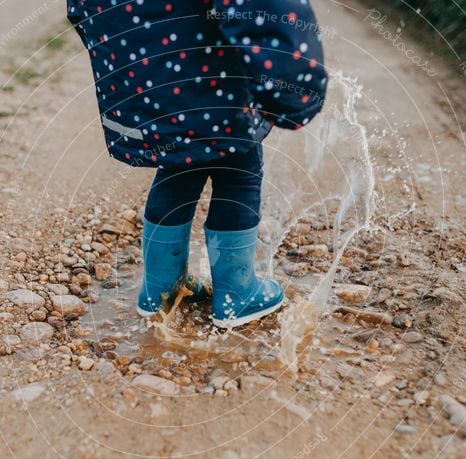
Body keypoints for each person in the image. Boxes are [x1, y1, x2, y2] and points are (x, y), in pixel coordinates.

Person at [66, 0, 327, 328]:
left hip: (155, 80)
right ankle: (236, 295)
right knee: (239, 168)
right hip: (212, 70)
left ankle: (160, 291)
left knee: (178, 163)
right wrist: (295, 85)